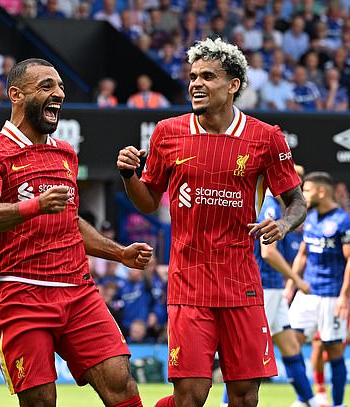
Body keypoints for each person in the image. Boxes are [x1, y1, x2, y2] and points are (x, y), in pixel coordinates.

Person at [117, 38, 306, 407]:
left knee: (245, 395)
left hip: (242, 286)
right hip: (189, 284)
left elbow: (296, 202)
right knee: (190, 395)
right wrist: (129, 177)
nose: (196, 84)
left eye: (208, 76)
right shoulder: (168, 133)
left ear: (233, 84)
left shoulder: (266, 138)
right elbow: (148, 201)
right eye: (192, 76)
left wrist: (283, 225)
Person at [0, 58, 153, 407]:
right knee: (41, 401)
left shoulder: (66, 153)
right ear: (16, 95)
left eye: (61, 87)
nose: (58, 94)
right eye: (47, 86)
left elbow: (69, 219)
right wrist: (36, 205)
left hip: (79, 291)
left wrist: (119, 253)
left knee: (121, 383)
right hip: (23, 294)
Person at [222, 190, 318, 407]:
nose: (297, 190)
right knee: (247, 351)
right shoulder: (270, 208)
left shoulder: (273, 206)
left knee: (290, 346)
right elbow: (268, 252)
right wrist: (297, 280)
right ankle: (226, 402)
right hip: (263, 287)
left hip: (272, 287)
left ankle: (308, 400)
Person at [288, 172, 350, 407]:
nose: (304, 195)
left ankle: (337, 404)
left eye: (308, 190)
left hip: (331, 296)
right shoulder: (311, 218)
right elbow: (302, 255)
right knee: (290, 342)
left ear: (322, 192)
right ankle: (305, 398)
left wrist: (344, 296)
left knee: (333, 351)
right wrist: (291, 285)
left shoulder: (343, 221)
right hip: (306, 294)